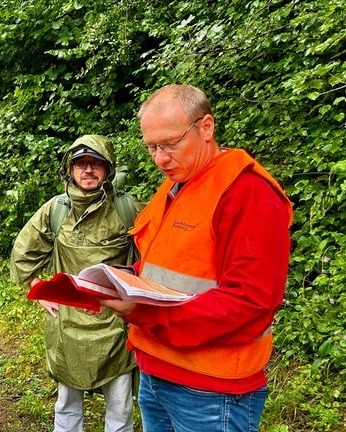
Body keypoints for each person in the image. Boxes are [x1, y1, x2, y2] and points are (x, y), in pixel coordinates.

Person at [99, 84, 292, 432]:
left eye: (170, 144)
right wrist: (123, 277)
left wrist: (142, 309)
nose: (160, 159)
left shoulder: (246, 193)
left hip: (211, 391)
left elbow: (251, 302)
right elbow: (170, 264)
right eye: (152, 148)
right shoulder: (178, 183)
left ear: (205, 128)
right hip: (155, 372)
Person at [10, 135, 140, 432]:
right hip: (68, 322)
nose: (89, 170)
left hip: (115, 323)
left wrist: (139, 303)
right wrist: (37, 288)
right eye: (82, 163)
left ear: (108, 170)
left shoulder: (127, 209)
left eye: (96, 164)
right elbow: (23, 253)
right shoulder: (56, 210)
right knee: (67, 406)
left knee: (120, 407)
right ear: (70, 169)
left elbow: (155, 257)